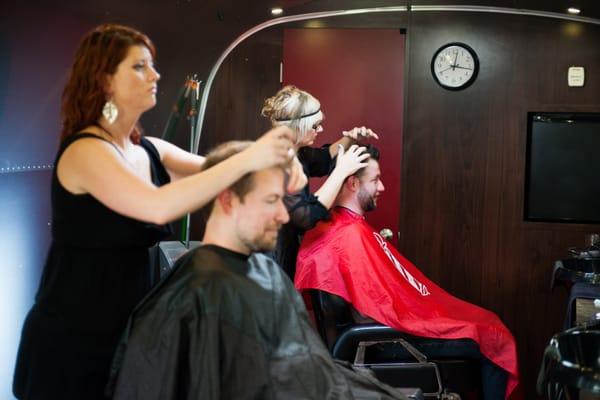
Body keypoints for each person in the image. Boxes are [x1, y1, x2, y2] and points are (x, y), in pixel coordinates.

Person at [12, 24, 305, 400]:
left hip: (128, 336)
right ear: (104, 79)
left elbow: (217, 168)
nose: (155, 75)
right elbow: (157, 206)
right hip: (71, 343)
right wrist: (254, 155)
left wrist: (279, 162)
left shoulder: (150, 150)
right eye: (139, 67)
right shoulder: (84, 152)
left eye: (152, 66)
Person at [108, 141, 409, 400]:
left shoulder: (265, 271)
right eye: (271, 200)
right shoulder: (192, 295)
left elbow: (310, 372)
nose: (282, 215)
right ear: (228, 199)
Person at [295, 145, 520, 400]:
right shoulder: (346, 236)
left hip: (399, 325)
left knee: (489, 324)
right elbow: (367, 313)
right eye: (375, 180)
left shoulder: (345, 228)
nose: (382, 188)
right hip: (386, 341)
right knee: (494, 336)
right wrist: (421, 318)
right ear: (353, 184)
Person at [261, 85, 377, 278]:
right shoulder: (278, 161)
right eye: (315, 126)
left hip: (282, 252)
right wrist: (341, 171)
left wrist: (350, 139)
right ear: (297, 126)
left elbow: (322, 159)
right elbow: (307, 216)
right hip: (267, 262)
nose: (320, 129)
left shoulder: (296, 152)